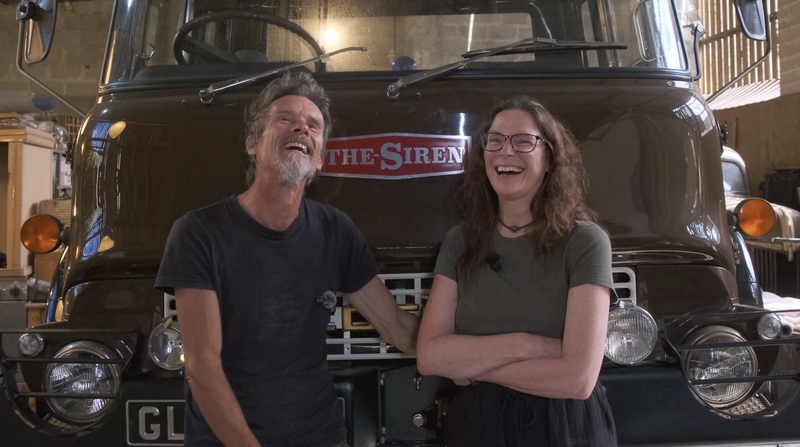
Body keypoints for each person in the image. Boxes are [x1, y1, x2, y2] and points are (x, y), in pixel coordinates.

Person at [155, 71, 419, 447]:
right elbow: (203, 367)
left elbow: (396, 328)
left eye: (313, 125)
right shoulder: (198, 233)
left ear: (320, 160)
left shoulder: (336, 231)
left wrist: (485, 354)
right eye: (285, 119)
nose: (301, 128)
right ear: (252, 143)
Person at [416, 96, 616, 446]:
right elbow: (430, 357)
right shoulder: (460, 241)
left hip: (564, 426)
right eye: (495, 140)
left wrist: (472, 368)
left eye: (524, 141)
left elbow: (578, 379)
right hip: (477, 427)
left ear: (551, 158)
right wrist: (529, 345)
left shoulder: (585, 242)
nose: (506, 152)